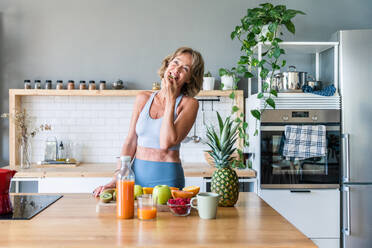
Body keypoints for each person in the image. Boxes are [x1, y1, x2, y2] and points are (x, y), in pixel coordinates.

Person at [93, 47, 204, 197]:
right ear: (167, 64)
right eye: (175, 62)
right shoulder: (143, 98)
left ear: (190, 78)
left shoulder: (190, 104)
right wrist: (117, 177)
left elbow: (166, 143)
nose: (176, 69)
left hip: (168, 179)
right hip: (135, 176)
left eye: (185, 68)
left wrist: (170, 99)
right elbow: (131, 141)